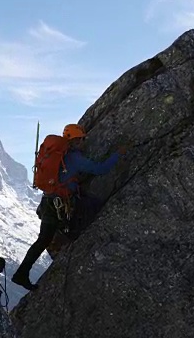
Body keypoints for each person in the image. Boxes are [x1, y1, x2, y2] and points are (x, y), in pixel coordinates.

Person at [11, 123, 126, 291]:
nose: (84, 143)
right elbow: (100, 169)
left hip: (48, 203)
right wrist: (118, 155)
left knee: (44, 240)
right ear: (76, 140)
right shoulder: (75, 158)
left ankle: (21, 274)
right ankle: (25, 275)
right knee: (73, 230)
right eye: (82, 139)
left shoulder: (57, 156)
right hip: (60, 206)